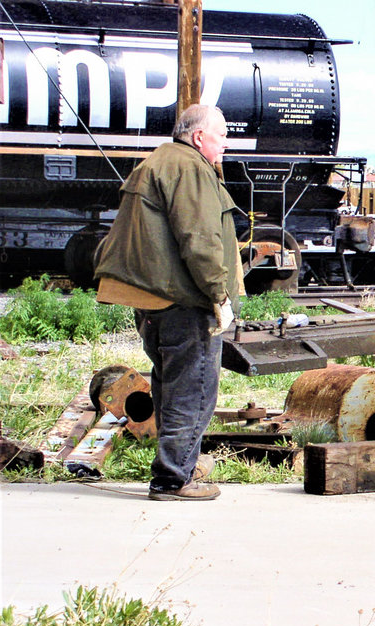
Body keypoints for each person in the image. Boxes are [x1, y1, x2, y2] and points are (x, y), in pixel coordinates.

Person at [94, 104, 241, 501]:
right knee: (192, 388)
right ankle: (174, 479)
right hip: (184, 300)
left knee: (171, 385)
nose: (226, 144)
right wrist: (218, 294)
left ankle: (180, 464)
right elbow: (200, 239)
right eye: (221, 135)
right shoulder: (190, 168)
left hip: (157, 299)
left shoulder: (158, 161)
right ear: (198, 137)